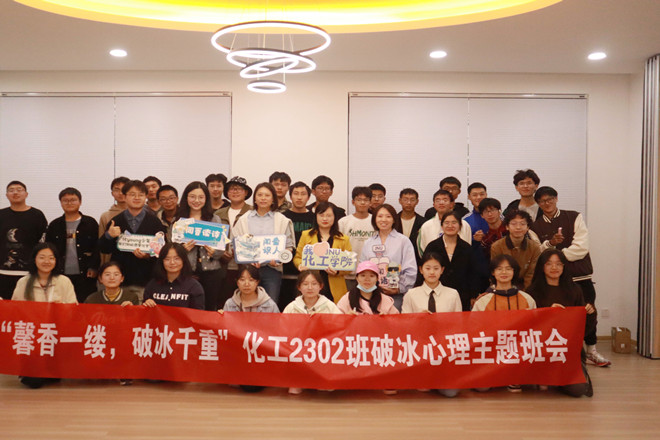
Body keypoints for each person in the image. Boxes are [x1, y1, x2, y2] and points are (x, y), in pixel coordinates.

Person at [530, 186, 611, 367]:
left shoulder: (574, 216)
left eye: (550, 199)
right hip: (552, 281)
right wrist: (550, 244)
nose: (547, 203)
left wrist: (555, 258)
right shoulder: (534, 226)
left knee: (587, 312)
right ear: (538, 204)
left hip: (579, 277)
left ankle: (591, 350)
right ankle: (562, 352)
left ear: (556, 198)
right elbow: (538, 252)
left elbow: (581, 247)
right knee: (554, 317)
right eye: (542, 201)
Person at [527, 249, 595, 397]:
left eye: (558, 264)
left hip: (568, 351)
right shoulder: (532, 291)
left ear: (564, 267)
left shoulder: (575, 290)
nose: (554, 268)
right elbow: (528, 325)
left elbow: (583, 330)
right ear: (542, 267)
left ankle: (562, 378)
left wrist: (590, 314)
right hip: (541, 349)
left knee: (578, 390)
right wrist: (548, 313)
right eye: (549, 264)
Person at [11, 243, 76, 388]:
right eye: (42, 257)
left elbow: (74, 309)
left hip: (55, 334)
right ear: (34, 259)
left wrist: (61, 307)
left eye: (51, 258)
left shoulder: (64, 281)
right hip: (32, 336)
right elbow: (15, 310)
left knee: (54, 377)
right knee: (34, 382)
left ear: (56, 260)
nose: (47, 261)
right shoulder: (24, 282)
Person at [402, 252, 462, 398]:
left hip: (445, 348)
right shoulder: (411, 294)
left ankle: (439, 378)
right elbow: (404, 324)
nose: (432, 272)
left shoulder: (453, 294)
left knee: (451, 392)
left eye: (436, 268)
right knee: (421, 386)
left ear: (442, 270)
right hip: (419, 348)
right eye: (428, 268)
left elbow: (459, 324)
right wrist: (418, 318)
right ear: (421, 270)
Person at [98, 180, 167, 301]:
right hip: (120, 281)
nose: (137, 198)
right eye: (132, 194)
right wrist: (109, 235)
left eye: (141, 194)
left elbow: (162, 251)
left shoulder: (155, 222)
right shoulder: (116, 221)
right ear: (125, 197)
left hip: (146, 281)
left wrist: (148, 255)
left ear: (146, 197)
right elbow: (104, 249)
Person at [231, 182, 295, 303]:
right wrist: (245, 257)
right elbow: (233, 245)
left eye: (267, 195)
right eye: (260, 195)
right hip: (248, 270)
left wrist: (279, 259)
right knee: (247, 304)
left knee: (270, 303)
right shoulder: (244, 219)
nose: (263, 198)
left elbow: (288, 247)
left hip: (271, 270)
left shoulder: (282, 220)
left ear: (273, 199)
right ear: (255, 198)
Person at [221, 264, 279, 393]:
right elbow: (225, 331)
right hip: (238, 352)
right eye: (242, 279)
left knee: (253, 385)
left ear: (257, 282)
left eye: (251, 280)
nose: (246, 284)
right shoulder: (230, 304)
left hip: (261, 352)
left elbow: (277, 333)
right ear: (237, 282)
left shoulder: (270, 305)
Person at [283, 270, 342, 394]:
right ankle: (299, 380)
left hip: (323, 350)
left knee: (325, 389)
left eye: (314, 284)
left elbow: (341, 327)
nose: (310, 287)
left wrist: (323, 322)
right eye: (305, 284)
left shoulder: (329, 306)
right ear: (299, 287)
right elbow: (282, 329)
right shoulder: (292, 307)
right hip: (298, 350)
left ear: (321, 286)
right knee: (294, 391)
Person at [176, 181, 225, 311]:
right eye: (192, 197)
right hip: (186, 271)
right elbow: (172, 250)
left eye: (201, 197)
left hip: (211, 271)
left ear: (206, 199)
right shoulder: (179, 220)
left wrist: (214, 252)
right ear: (186, 198)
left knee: (209, 309)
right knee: (188, 309)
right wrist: (182, 250)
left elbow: (221, 251)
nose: (196, 200)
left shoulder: (215, 219)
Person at [45, 187, 99, 303]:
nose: (69, 203)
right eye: (65, 200)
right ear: (61, 203)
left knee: (85, 306)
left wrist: (94, 267)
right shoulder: (54, 225)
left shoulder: (90, 223)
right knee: (62, 306)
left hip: (86, 275)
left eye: (73, 200)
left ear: (80, 202)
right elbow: (48, 249)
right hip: (60, 274)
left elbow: (97, 247)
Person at [359, 204, 417, 311]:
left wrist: (399, 289)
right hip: (371, 294)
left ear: (394, 219)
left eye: (388, 216)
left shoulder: (403, 241)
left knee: (393, 320)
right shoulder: (368, 242)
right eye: (380, 216)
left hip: (396, 295)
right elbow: (362, 267)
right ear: (374, 219)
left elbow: (411, 269)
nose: (384, 220)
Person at [294, 201, 352, 303]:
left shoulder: (343, 239)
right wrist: (300, 265)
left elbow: (350, 264)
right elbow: (298, 257)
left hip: (334, 284)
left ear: (335, 217)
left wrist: (338, 271)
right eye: (321, 215)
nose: (325, 219)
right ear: (316, 217)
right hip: (312, 282)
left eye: (329, 216)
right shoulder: (306, 235)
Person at [0, 181, 48, 300]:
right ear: (6, 195)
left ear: (26, 194)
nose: (15, 192)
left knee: (28, 308)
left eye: (19, 190)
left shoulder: (37, 215)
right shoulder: (1, 215)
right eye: (11, 190)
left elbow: (43, 244)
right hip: (3, 272)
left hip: (30, 273)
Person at [423, 212, 479, 311]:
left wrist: (473, 295)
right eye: (446, 223)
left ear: (460, 226)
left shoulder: (466, 248)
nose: (450, 226)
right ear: (442, 226)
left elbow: (473, 273)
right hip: (436, 292)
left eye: (454, 223)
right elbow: (425, 269)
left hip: (462, 294)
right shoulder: (432, 246)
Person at [214, 176, 253, 303]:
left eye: (239, 189)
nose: (235, 192)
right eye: (231, 189)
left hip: (247, 265)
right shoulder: (218, 214)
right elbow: (213, 238)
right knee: (224, 300)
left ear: (246, 192)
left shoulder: (253, 212)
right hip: (223, 265)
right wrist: (220, 253)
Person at [281, 181, 315, 309]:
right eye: (296, 193)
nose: (299, 197)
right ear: (290, 196)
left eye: (303, 194)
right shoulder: (282, 217)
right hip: (285, 271)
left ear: (309, 197)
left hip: (309, 272)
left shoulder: (315, 218)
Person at [143, 242, 205, 310]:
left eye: (176, 258)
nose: (172, 262)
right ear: (161, 261)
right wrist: (147, 303)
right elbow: (145, 312)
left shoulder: (194, 286)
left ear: (183, 260)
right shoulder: (152, 285)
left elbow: (198, 314)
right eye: (167, 259)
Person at [490, 210, 541, 290]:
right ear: (507, 227)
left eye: (522, 224)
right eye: (514, 224)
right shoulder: (497, 246)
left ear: (528, 227)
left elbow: (531, 274)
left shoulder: (534, 247)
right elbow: (496, 271)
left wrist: (524, 292)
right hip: (502, 284)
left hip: (526, 287)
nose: (518, 227)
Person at [338, 186, 375, 290]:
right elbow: (338, 247)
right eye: (359, 200)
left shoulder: (375, 221)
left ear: (370, 202)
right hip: (348, 273)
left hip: (370, 273)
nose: (362, 203)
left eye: (366, 200)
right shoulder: (343, 222)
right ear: (353, 202)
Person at [417, 189, 472, 257]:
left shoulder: (464, 224)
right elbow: (422, 250)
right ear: (434, 205)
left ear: (452, 204)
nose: (441, 203)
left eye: (445, 200)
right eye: (438, 200)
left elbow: (468, 247)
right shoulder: (426, 226)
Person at [472, 255, 536, 311]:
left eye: (508, 269)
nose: (504, 272)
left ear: (514, 272)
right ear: (493, 272)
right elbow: (475, 320)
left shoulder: (527, 299)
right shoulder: (483, 301)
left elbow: (534, 319)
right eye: (499, 269)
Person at [397, 188, 426, 263]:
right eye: (405, 199)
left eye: (412, 200)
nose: (409, 203)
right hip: (396, 260)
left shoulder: (423, 222)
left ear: (417, 201)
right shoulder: (393, 221)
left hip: (416, 261)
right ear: (400, 201)